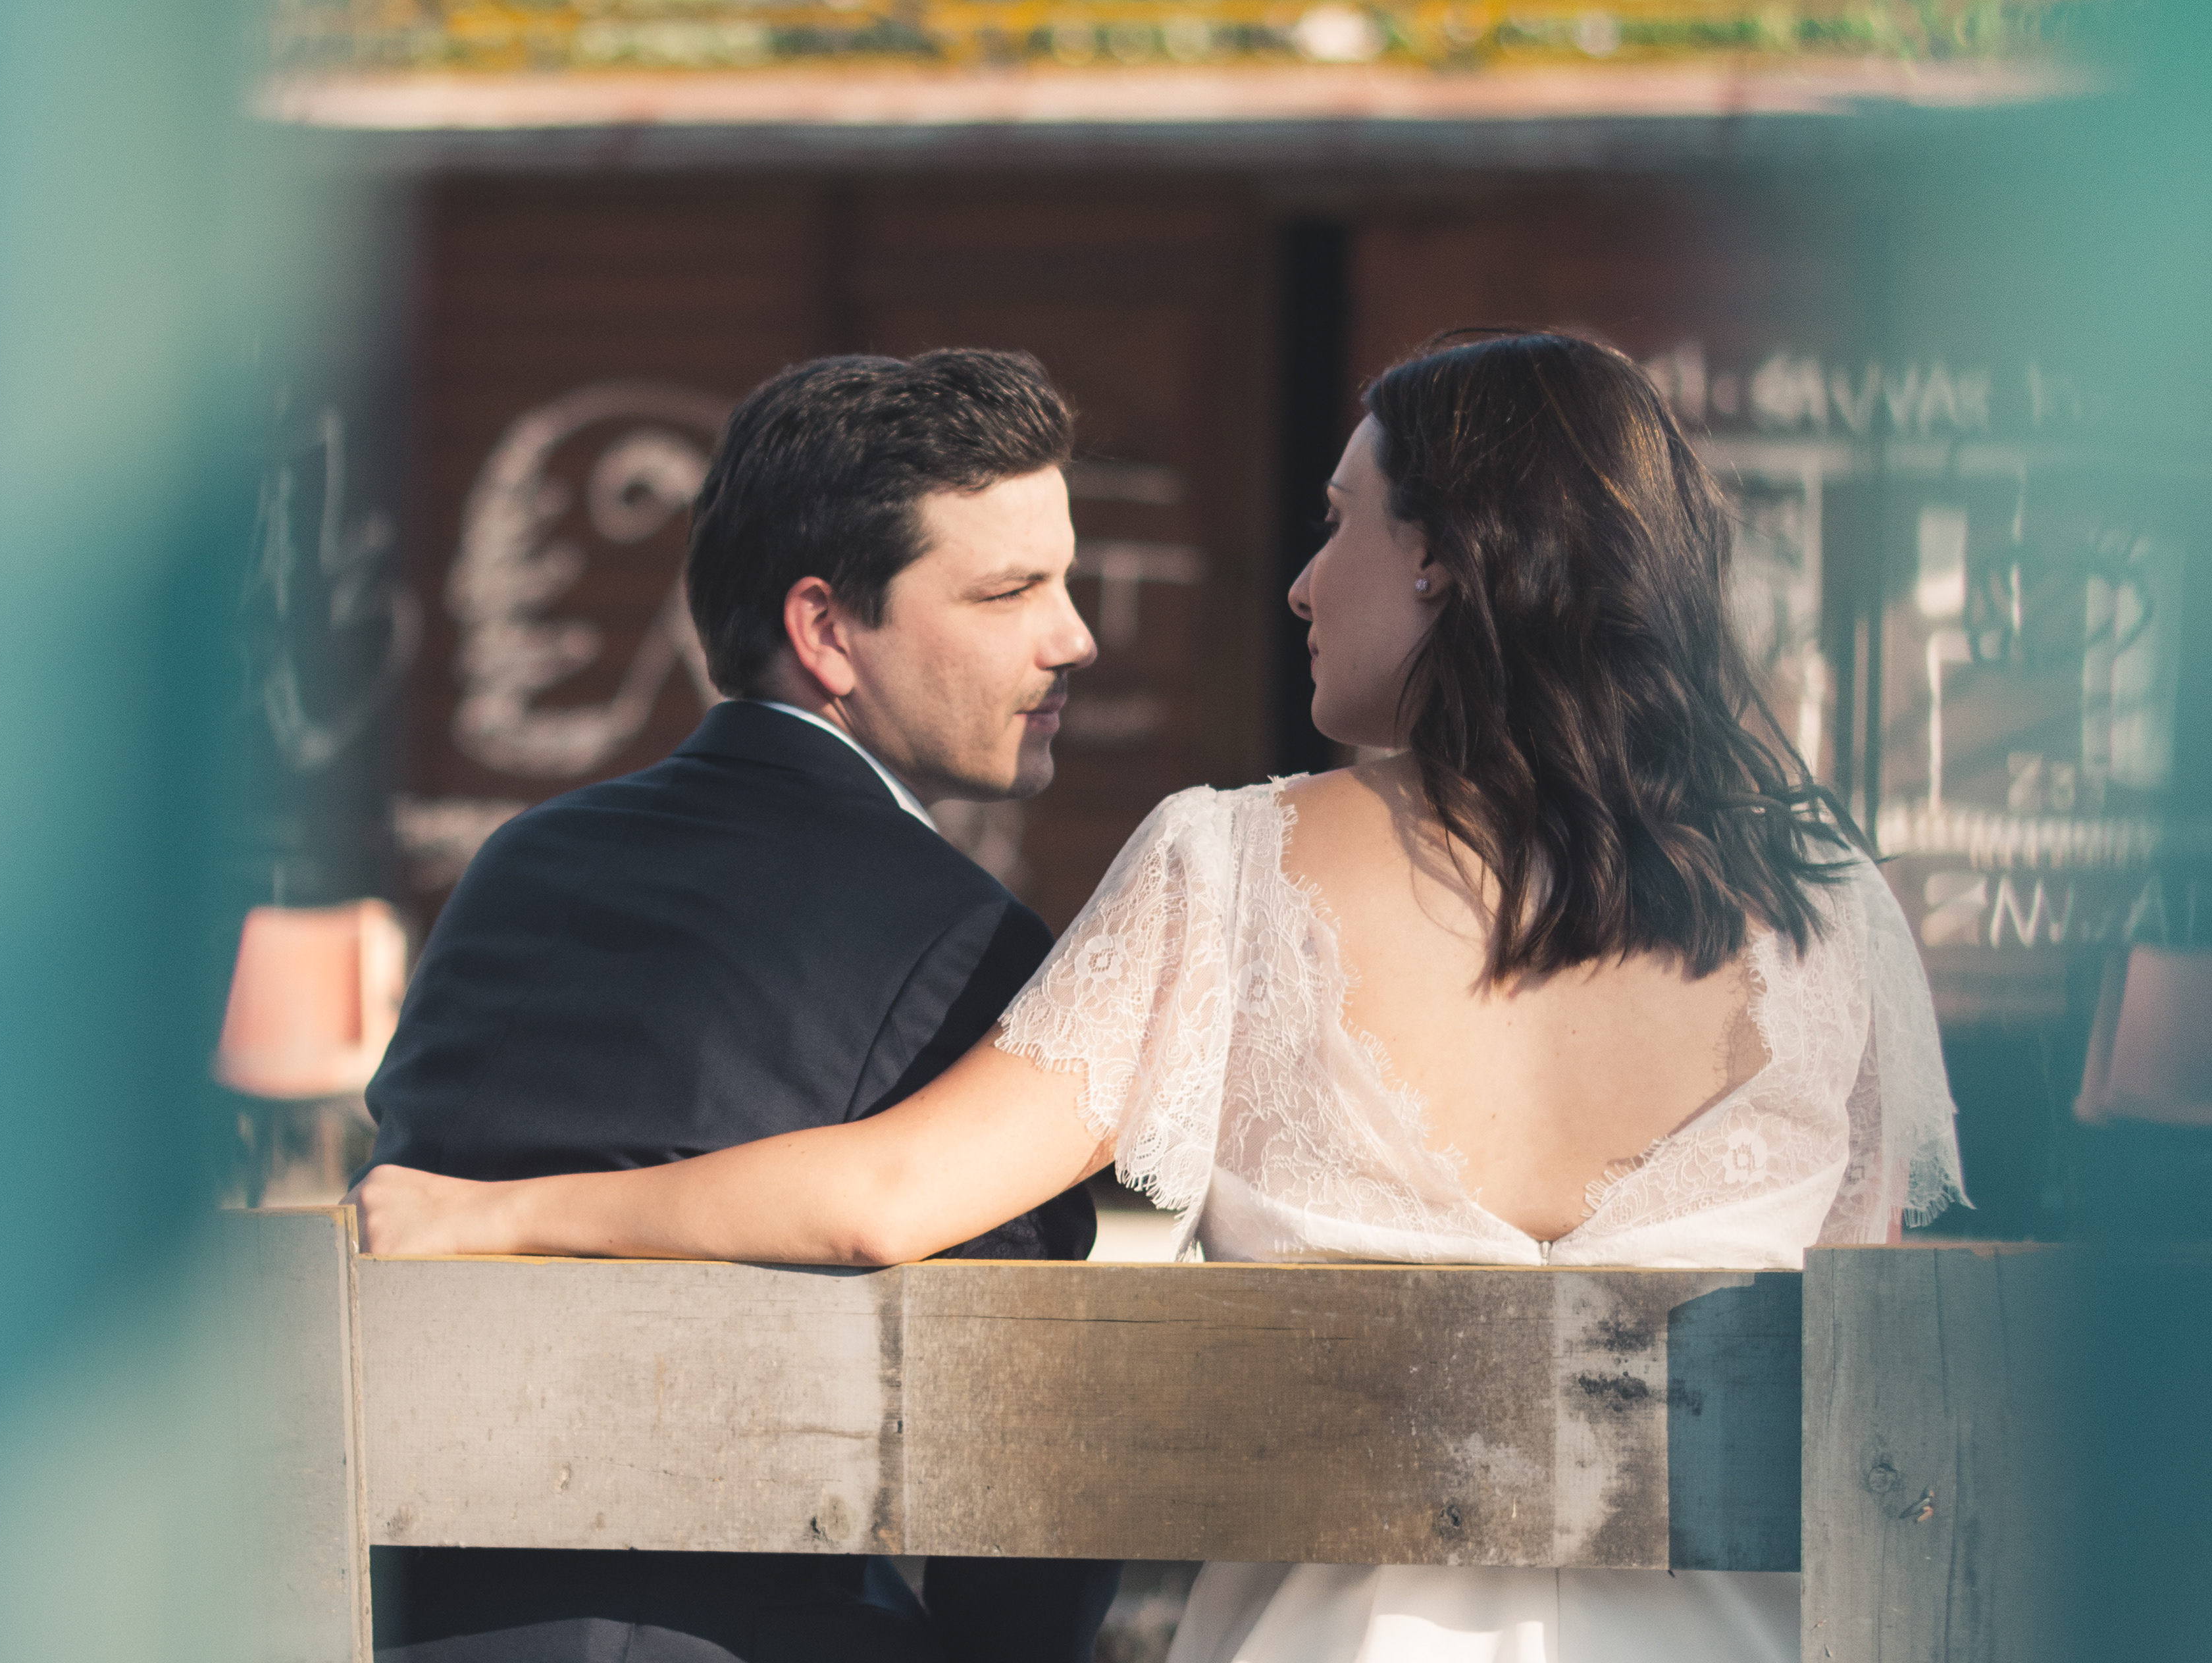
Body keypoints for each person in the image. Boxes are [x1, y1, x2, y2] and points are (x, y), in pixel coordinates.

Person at [354, 330, 1966, 1663]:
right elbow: (1884, 1351)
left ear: (1446, 566)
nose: (1301, 583)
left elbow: (884, 1199)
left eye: (1338, 523)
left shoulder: (1229, 863)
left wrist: (486, 1215)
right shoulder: (1842, 912)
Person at [356, 348, 1120, 1663]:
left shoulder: (524, 858)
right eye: (1010, 591)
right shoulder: (969, 944)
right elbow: (1022, 1437)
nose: (1075, 637)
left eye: (1064, 581)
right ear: (825, 630)